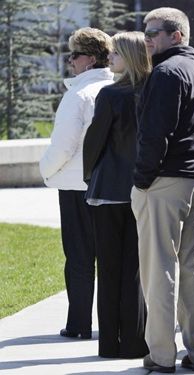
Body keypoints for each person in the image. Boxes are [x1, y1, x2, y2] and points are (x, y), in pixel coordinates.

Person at [131, 7, 194, 373]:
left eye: (153, 32)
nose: (146, 37)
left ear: (176, 36)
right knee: (190, 266)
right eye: (145, 31)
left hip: (165, 183)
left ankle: (162, 356)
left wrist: (141, 180)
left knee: (159, 271)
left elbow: (154, 136)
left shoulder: (166, 73)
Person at [39, 27, 114, 340]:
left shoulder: (79, 95)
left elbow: (62, 146)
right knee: (112, 258)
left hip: (76, 188)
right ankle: (112, 324)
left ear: (90, 59)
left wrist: (45, 171)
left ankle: (79, 324)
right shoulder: (119, 88)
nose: (70, 61)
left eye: (75, 55)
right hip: (111, 187)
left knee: (80, 258)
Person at [82, 31, 151, 358]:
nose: (110, 57)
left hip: (108, 191)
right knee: (134, 271)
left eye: (116, 54)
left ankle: (109, 344)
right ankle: (135, 343)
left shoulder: (110, 95)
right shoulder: (153, 91)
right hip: (141, 189)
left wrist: (88, 174)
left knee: (108, 271)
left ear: (131, 56)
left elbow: (94, 142)